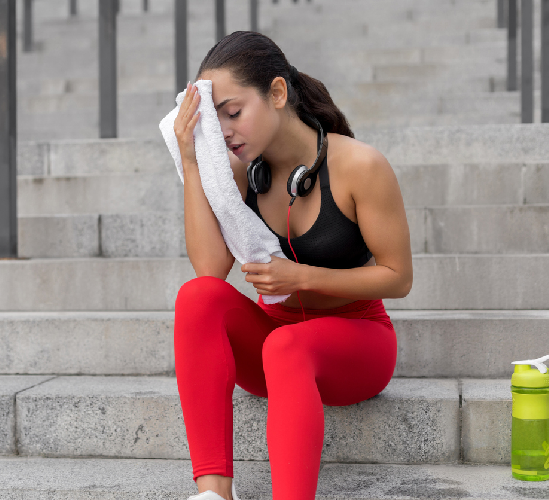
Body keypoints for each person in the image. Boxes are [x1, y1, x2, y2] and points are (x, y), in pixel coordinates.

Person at [172, 31, 412, 500]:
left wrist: (301, 277)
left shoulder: (359, 165)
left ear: (277, 93)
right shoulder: (240, 173)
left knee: (286, 346)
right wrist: (193, 161)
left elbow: (398, 277)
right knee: (196, 297)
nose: (223, 130)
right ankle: (214, 491)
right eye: (212, 118)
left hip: (357, 343)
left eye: (233, 112)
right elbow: (209, 270)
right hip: (272, 347)